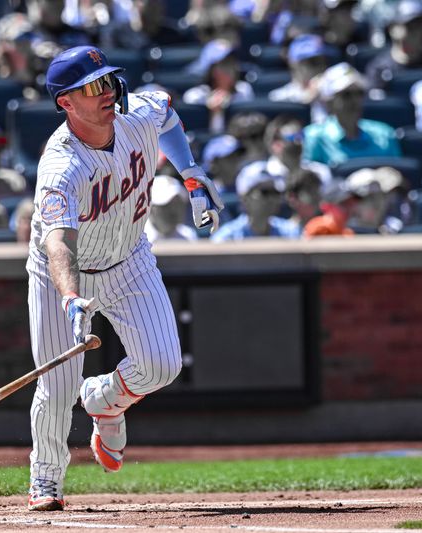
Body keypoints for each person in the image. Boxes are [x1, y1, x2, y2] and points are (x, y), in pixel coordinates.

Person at [26, 46, 223, 511]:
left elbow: (168, 111)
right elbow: (58, 243)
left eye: (110, 81)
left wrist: (190, 174)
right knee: (56, 385)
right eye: (93, 88)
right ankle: (46, 479)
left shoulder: (135, 113)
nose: (109, 93)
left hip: (129, 258)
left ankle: (104, 399)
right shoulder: (61, 167)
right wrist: (71, 297)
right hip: (63, 275)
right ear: (66, 103)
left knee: (162, 365)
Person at [303, 62, 402, 166]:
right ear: (329, 102)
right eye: (346, 95)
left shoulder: (384, 133)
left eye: (359, 93)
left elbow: (397, 172)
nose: (355, 101)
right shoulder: (314, 137)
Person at [242, 115, 333, 190]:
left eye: (301, 136)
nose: (298, 142)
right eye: (291, 138)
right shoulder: (255, 175)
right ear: (275, 144)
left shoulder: (319, 172)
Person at [182, 39, 254, 133]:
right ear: (210, 70)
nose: (231, 69)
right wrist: (213, 112)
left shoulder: (244, 91)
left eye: (232, 62)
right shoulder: (195, 97)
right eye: (224, 64)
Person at [211, 167, 300, 241]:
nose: (272, 198)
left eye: (275, 193)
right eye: (265, 192)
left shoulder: (291, 233)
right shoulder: (226, 238)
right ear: (245, 199)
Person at [366, 0, 422, 92]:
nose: (414, 32)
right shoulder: (379, 69)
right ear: (392, 29)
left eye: (419, 26)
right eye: (409, 26)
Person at [269, 34, 329, 124]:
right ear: (294, 64)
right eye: (313, 62)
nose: (320, 67)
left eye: (322, 61)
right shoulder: (280, 97)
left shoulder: (333, 93)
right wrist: (308, 97)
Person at [145, 175, 198, 243]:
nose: (174, 210)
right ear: (151, 209)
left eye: (178, 204)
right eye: (166, 205)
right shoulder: (136, 240)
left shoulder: (188, 236)